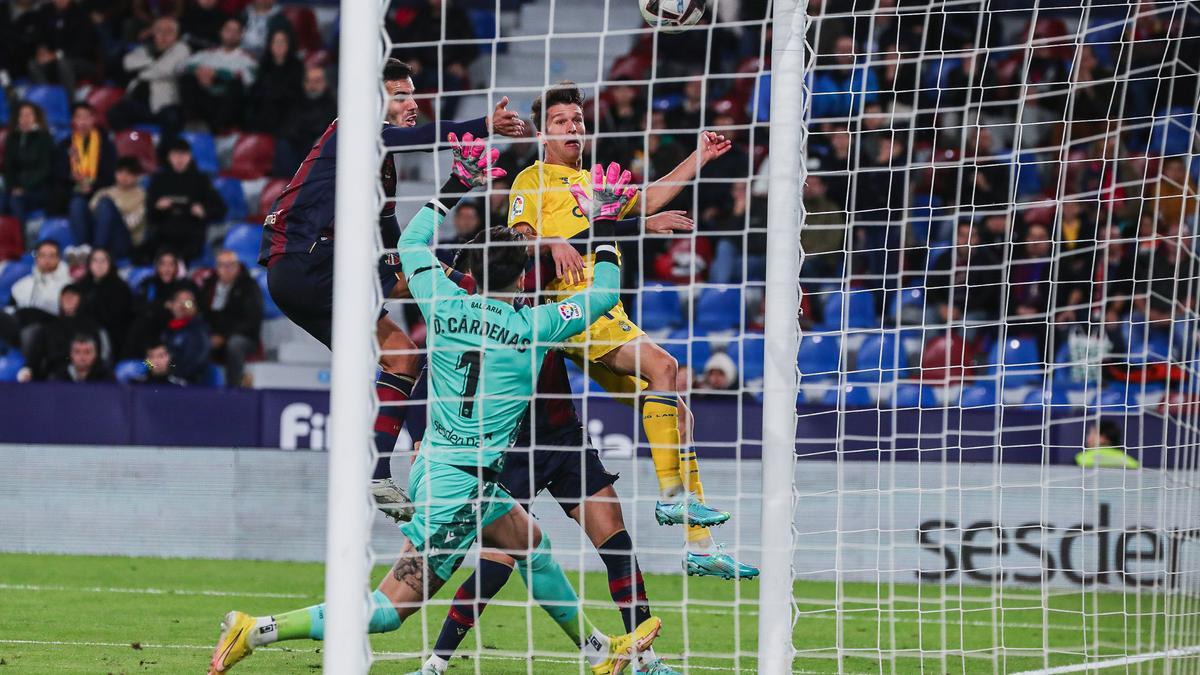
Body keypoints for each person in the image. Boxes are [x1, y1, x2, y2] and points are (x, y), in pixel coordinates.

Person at [211, 139, 660, 675]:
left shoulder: (442, 301)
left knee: (527, 540)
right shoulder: (532, 326)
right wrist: (606, 222)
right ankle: (257, 629)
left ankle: (597, 653)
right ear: (522, 279)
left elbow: (414, 243)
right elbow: (604, 292)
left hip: (442, 467)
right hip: (457, 489)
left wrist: (454, 185)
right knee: (387, 610)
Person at [412, 181, 684, 675]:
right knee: (500, 560)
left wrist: (631, 225)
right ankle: (437, 660)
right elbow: (599, 285)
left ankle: (643, 658)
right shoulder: (501, 301)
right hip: (511, 443)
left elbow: (573, 242)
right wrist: (609, 225)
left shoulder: (519, 279)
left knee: (615, 541)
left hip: (562, 433)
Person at [508, 81, 758, 579]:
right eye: (561, 122)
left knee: (677, 415)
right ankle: (670, 500)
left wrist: (698, 158)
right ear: (543, 133)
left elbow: (645, 201)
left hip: (609, 313)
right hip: (572, 309)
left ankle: (701, 548)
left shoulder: (594, 184)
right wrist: (552, 240)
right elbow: (517, 240)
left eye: (577, 120)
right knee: (665, 366)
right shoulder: (531, 181)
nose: (572, 128)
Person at [258, 58, 525, 513]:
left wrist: (457, 183)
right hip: (310, 258)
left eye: (412, 94)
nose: (411, 104)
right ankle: (427, 436)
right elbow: (418, 142)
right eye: (399, 95)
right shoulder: (353, 128)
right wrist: (483, 126)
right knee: (450, 282)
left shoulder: (381, 169)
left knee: (402, 356)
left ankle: (380, 473)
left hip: (305, 278)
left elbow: (398, 249)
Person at [144, 138, 226, 261]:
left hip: (190, 234)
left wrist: (203, 211)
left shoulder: (200, 180)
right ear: (169, 157)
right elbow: (149, 212)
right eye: (175, 155)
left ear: (189, 156)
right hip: (164, 233)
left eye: (183, 155)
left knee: (180, 257)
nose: (179, 159)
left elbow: (221, 208)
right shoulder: (159, 180)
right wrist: (157, 207)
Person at [108, 16, 191, 136]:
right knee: (115, 113)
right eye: (159, 31)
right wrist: (155, 64)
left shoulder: (181, 49)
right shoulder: (145, 48)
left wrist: (140, 71)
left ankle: (165, 152)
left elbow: (166, 70)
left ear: (176, 35)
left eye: (169, 32)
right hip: (138, 102)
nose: (163, 35)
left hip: (165, 104)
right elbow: (127, 63)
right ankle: (132, 143)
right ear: (153, 33)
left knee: (172, 119)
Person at [180, 15, 256, 132]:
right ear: (221, 32)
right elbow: (181, 67)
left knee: (236, 84)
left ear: (241, 35)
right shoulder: (207, 54)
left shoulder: (248, 59)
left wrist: (217, 74)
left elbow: (249, 79)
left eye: (236, 31)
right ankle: (192, 122)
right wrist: (198, 71)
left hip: (228, 106)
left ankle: (217, 128)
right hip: (205, 100)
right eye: (228, 30)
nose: (231, 34)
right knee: (188, 79)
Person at [56, 103, 117, 245]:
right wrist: (72, 177)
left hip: (100, 190)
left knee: (103, 204)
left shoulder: (106, 144)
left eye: (87, 117)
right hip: (73, 191)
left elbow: (111, 173)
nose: (83, 121)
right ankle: (82, 249)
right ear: (73, 120)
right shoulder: (65, 145)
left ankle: (99, 250)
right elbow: (59, 172)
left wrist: (93, 185)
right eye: (79, 117)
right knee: (77, 203)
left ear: (93, 119)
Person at [200, 250, 262, 387]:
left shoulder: (249, 286)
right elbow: (202, 313)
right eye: (222, 265)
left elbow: (251, 321)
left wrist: (224, 337)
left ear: (238, 267)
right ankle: (191, 386)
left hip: (244, 337)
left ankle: (233, 389)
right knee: (195, 339)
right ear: (216, 268)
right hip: (213, 334)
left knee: (235, 344)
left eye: (230, 265)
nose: (226, 270)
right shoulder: (209, 285)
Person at [19, 284, 106, 381]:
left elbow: (98, 354)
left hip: (88, 374)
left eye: (72, 296)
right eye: (65, 296)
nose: (68, 299)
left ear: (80, 299)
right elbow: (36, 354)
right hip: (55, 375)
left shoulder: (90, 326)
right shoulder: (50, 326)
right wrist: (28, 369)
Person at [275, 65, 338, 175]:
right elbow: (287, 129)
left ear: (325, 83)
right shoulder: (295, 104)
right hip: (297, 150)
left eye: (317, 81)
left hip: (318, 152)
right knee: (283, 145)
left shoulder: (333, 107)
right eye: (308, 81)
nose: (312, 85)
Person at [86, 157, 148, 261]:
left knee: (106, 205)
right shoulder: (105, 192)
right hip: (101, 235)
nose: (124, 177)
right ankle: (84, 249)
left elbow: (132, 224)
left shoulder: (142, 196)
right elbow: (90, 214)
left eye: (128, 173)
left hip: (125, 241)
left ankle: (96, 253)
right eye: (120, 172)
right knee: (77, 202)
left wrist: (113, 214)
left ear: (137, 176)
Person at [3, 101, 55, 224]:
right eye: (22, 115)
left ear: (36, 118)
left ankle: (21, 241)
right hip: (15, 189)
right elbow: (8, 168)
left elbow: (45, 168)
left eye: (29, 115)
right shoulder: (12, 138)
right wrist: (13, 187)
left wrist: (23, 187)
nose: (25, 119)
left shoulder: (44, 137)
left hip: (39, 189)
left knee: (16, 201)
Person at [244, 28, 303, 133]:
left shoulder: (297, 66)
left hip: (286, 112)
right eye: (275, 41)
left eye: (283, 41)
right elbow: (257, 90)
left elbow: (295, 93)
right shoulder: (264, 64)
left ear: (289, 44)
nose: (279, 45)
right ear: (270, 45)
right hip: (264, 111)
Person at [76, 248, 134, 349]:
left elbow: (119, 318)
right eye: (95, 260)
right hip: (85, 338)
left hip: (116, 340)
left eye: (103, 260)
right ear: (89, 264)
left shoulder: (120, 287)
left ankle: (157, 366)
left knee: (147, 362)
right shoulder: (82, 287)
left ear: (110, 263)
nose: (99, 265)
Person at [162, 286, 210, 383]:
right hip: (158, 380)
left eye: (188, 303)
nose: (182, 306)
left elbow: (194, 364)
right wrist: (151, 366)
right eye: (178, 301)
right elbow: (146, 360)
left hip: (186, 385)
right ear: (171, 305)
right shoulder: (163, 327)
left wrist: (168, 367)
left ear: (195, 307)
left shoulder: (198, 331)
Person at [48, 334, 113, 383]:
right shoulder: (59, 377)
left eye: (87, 352)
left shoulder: (106, 378)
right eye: (77, 352)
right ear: (71, 354)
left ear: (95, 355)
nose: (82, 356)